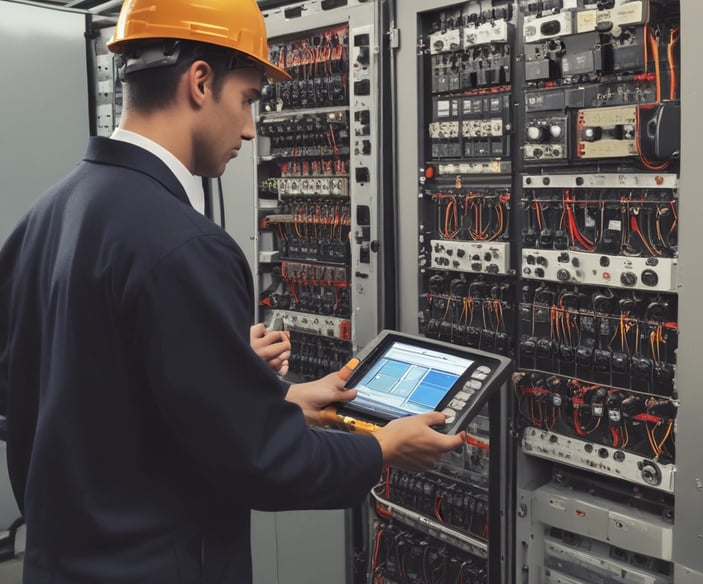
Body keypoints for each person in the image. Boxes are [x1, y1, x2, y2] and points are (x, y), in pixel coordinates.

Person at [0, 1, 465, 582]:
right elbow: (261, 465)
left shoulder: (47, 214)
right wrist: (383, 449)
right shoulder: (184, 245)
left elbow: (60, 392)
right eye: (247, 99)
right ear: (200, 82)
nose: (249, 128)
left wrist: (258, 392)